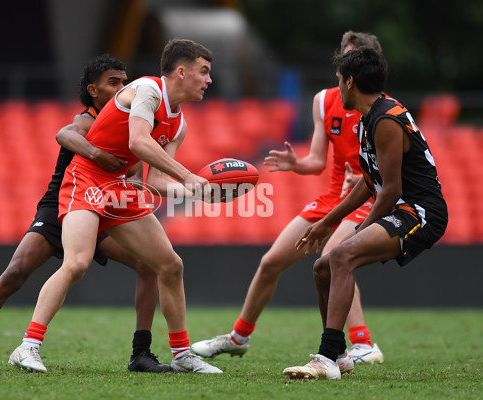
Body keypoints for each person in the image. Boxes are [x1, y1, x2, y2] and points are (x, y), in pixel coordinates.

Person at [0, 55, 171, 373]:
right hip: (61, 208)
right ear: (93, 91)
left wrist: (135, 183)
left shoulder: (132, 125)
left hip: (103, 209)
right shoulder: (88, 120)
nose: (124, 88)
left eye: (125, 82)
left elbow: (137, 172)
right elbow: (64, 134)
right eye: (115, 82)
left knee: (149, 264)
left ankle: (141, 353)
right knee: (14, 275)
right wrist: (96, 152)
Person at [7, 39, 222, 374]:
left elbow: (157, 180)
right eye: (204, 71)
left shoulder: (178, 123)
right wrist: (189, 176)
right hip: (86, 179)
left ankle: (182, 354)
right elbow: (138, 141)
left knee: (170, 265)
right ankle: (27, 347)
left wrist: (198, 192)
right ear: (181, 72)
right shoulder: (147, 90)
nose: (209, 80)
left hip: (118, 186)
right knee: (77, 263)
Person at [191, 31, 386, 368]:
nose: (349, 66)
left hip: (366, 200)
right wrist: (297, 164)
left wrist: (369, 176)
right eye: (347, 57)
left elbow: (392, 168)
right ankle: (239, 337)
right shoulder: (324, 101)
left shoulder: (381, 108)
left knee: (335, 257)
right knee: (271, 262)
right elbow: (317, 160)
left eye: (358, 57)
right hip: (332, 198)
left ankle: (362, 343)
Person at [283, 47, 448, 380]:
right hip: (400, 208)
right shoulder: (369, 117)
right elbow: (367, 182)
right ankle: (341, 355)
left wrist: (357, 231)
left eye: (338, 81)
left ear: (350, 82)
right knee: (322, 268)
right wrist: (326, 224)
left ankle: (327, 358)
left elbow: (391, 189)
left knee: (342, 256)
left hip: (420, 213)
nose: (337, 88)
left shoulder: (386, 119)